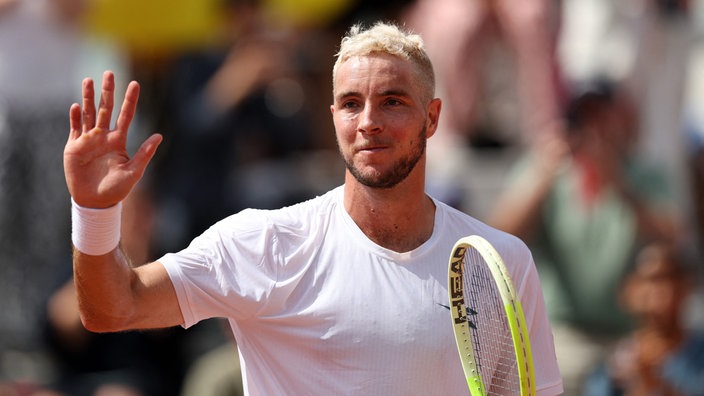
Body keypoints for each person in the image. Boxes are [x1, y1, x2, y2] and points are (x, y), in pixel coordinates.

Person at [63, 22, 563, 395]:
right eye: (351, 103)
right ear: (333, 116)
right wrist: (94, 212)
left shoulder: (502, 259)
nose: (369, 121)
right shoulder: (263, 244)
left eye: (393, 101)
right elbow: (113, 308)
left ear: (431, 118)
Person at [488, 78, 682, 393]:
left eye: (603, 118)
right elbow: (499, 236)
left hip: (631, 333)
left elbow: (674, 238)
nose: (595, 130)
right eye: (585, 119)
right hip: (563, 334)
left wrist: (620, 186)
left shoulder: (645, 175)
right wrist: (544, 173)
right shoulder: (546, 172)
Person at [583, 242, 704, 395]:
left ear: (686, 286)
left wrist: (656, 385)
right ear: (629, 291)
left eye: (669, 278)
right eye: (651, 280)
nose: (661, 290)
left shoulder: (699, 354)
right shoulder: (613, 367)